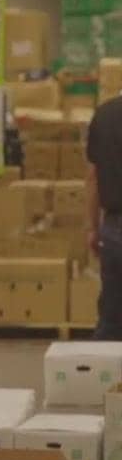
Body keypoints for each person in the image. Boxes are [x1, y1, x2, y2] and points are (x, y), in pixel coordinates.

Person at [88, 94, 122, 340]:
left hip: (114, 227)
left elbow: (92, 178)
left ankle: (106, 375)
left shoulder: (104, 115)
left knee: (111, 316)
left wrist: (91, 227)